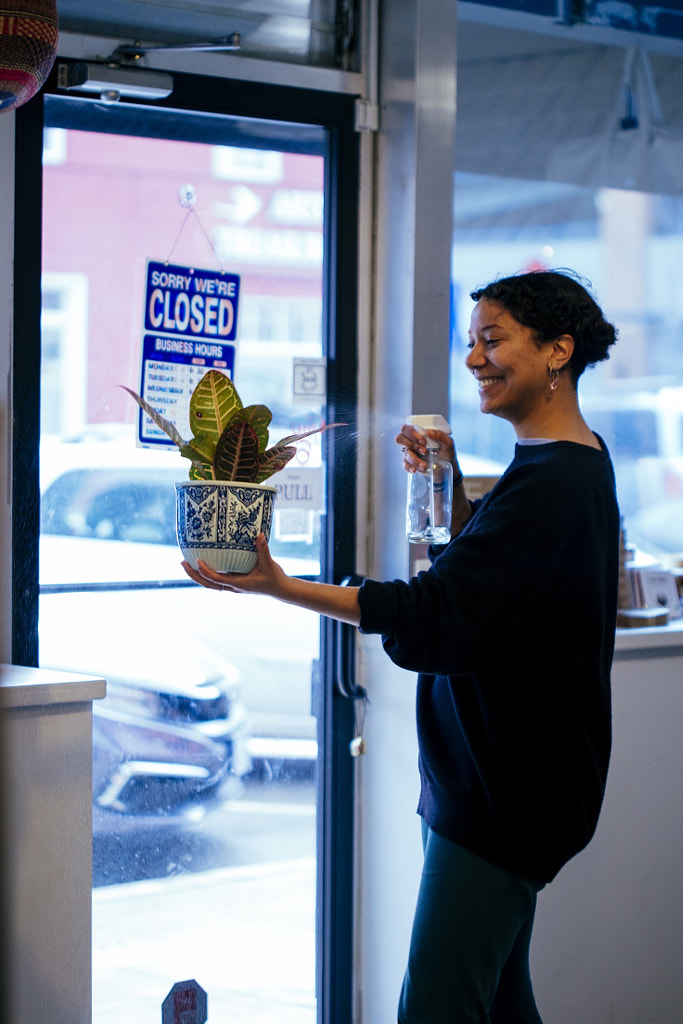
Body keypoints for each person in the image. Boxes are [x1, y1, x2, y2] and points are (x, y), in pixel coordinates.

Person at [182, 268, 621, 1023]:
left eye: (492, 339)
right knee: (500, 1002)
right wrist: (449, 491)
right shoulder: (565, 463)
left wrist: (279, 585)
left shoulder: (551, 485)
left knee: (439, 1007)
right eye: (469, 341)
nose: (473, 358)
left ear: (557, 350)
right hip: (503, 790)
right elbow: (496, 593)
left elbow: (436, 610)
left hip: (501, 798)